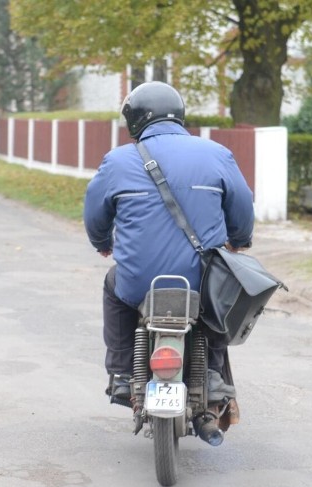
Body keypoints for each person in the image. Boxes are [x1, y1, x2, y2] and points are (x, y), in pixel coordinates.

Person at [83, 81, 255, 422]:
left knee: (112, 286)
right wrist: (240, 239)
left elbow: (94, 214)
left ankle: (122, 372)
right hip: (200, 280)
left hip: (139, 283)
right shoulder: (216, 154)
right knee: (222, 292)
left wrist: (103, 244)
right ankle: (212, 374)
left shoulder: (117, 161)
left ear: (135, 120)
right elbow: (242, 208)